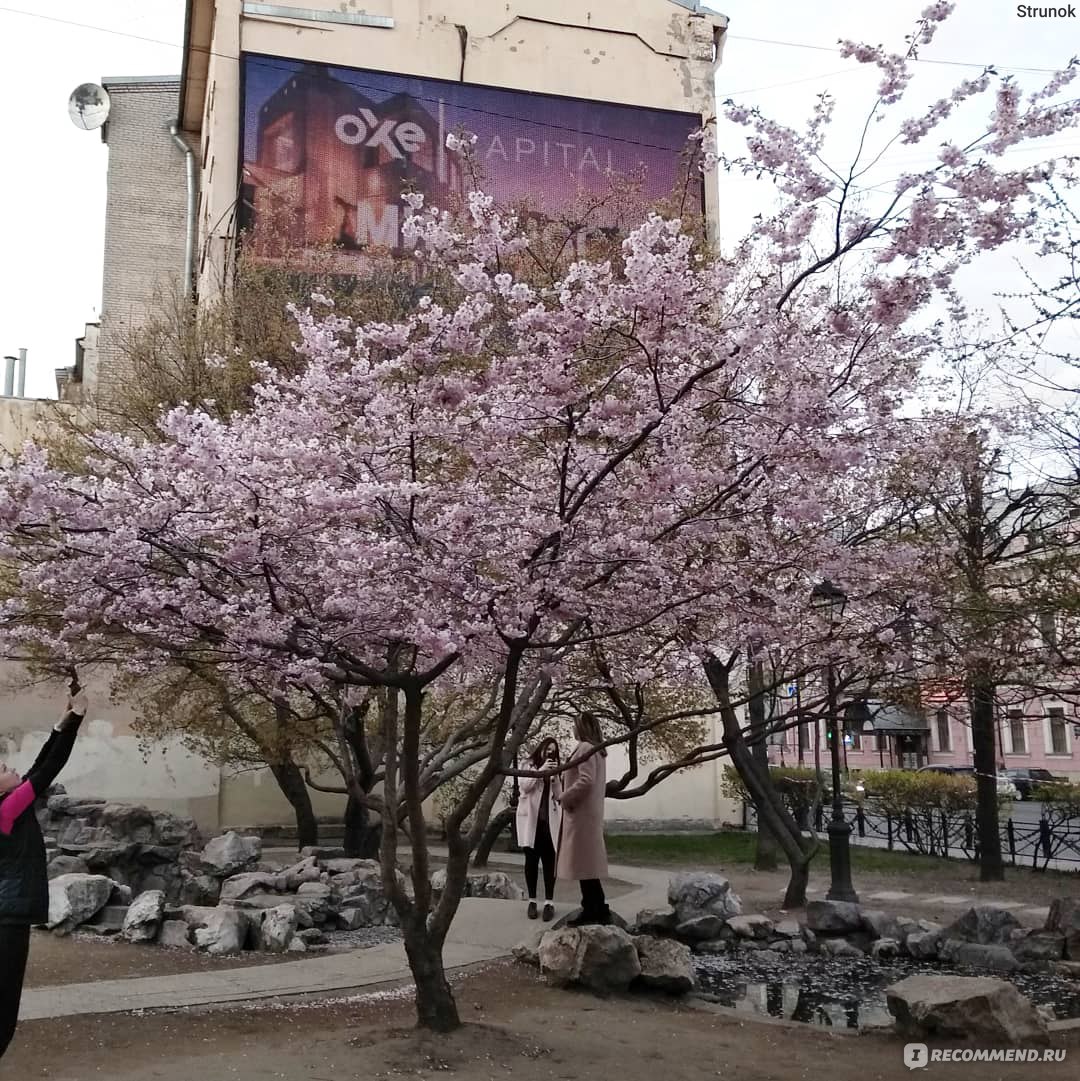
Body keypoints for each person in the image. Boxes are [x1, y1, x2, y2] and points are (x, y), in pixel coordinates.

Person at [0, 683, 88, 1061]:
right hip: (7, 919)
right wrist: (78, 719)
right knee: (3, 1010)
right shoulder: (5, 810)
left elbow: (37, 767)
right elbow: (48, 770)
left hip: (7, 915)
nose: (12, 767)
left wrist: (61, 724)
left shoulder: (9, 805)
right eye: (3, 768)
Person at [557, 712, 610, 927]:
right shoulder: (596, 750)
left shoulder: (586, 748)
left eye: (575, 725)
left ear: (583, 727)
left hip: (581, 814)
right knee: (586, 865)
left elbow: (586, 781)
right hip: (586, 814)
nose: (573, 729)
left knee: (583, 865)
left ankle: (592, 909)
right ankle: (596, 907)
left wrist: (565, 796)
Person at [515, 737, 562, 921]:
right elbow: (524, 787)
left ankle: (549, 902)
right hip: (530, 822)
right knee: (531, 862)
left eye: (553, 750)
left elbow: (559, 795)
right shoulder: (528, 764)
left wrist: (556, 776)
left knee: (550, 862)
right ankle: (532, 901)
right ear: (541, 749)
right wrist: (541, 771)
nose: (550, 753)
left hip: (548, 823)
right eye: (547, 749)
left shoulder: (556, 768)